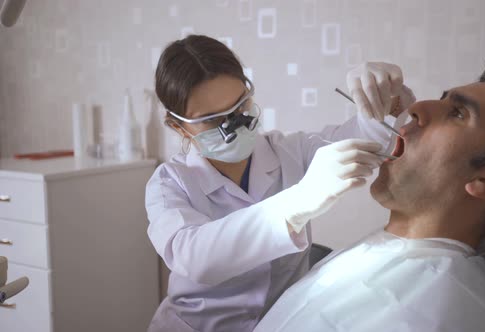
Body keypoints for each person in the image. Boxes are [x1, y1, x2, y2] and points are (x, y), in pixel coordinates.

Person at [254, 56, 485, 332]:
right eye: (441, 99)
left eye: (458, 113)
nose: (417, 107)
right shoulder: (393, 252)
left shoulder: (433, 314)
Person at [144, 34, 416, 332]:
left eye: (239, 107)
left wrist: (384, 102)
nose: (234, 124)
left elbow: (368, 139)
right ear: (178, 126)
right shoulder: (168, 184)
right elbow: (195, 258)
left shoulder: (291, 151)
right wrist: (296, 203)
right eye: (211, 119)